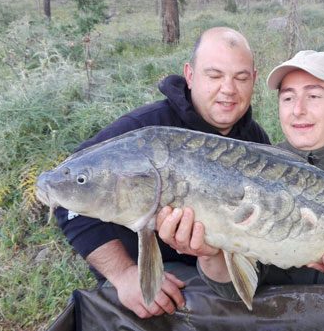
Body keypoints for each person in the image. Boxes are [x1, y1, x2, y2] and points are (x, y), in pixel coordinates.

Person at [157, 50, 324, 330]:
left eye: (314, 96)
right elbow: (233, 293)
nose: (298, 109)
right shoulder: (251, 165)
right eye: (288, 97)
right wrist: (209, 254)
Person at [54, 27, 270, 319]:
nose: (228, 89)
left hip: (216, 271)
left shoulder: (256, 142)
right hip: (149, 273)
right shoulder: (142, 131)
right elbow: (66, 199)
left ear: (253, 80)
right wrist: (124, 274)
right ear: (190, 75)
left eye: (241, 78)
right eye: (215, 76)